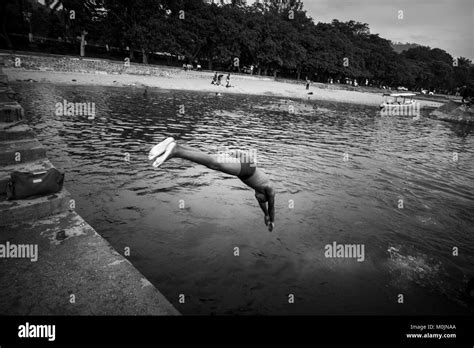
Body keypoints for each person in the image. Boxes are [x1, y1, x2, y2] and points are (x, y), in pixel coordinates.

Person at [148, 137, 276, 231]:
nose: (261, 200)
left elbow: (265, 208)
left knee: (210, 159)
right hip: (247, 167)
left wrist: (266, 217)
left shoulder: (259, 193)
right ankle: (176, 151)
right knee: (214, 164)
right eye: (263, 200)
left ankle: (174, 146)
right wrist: (272, 221)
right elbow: (272, 207)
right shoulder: (269, 189)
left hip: (244, 159)